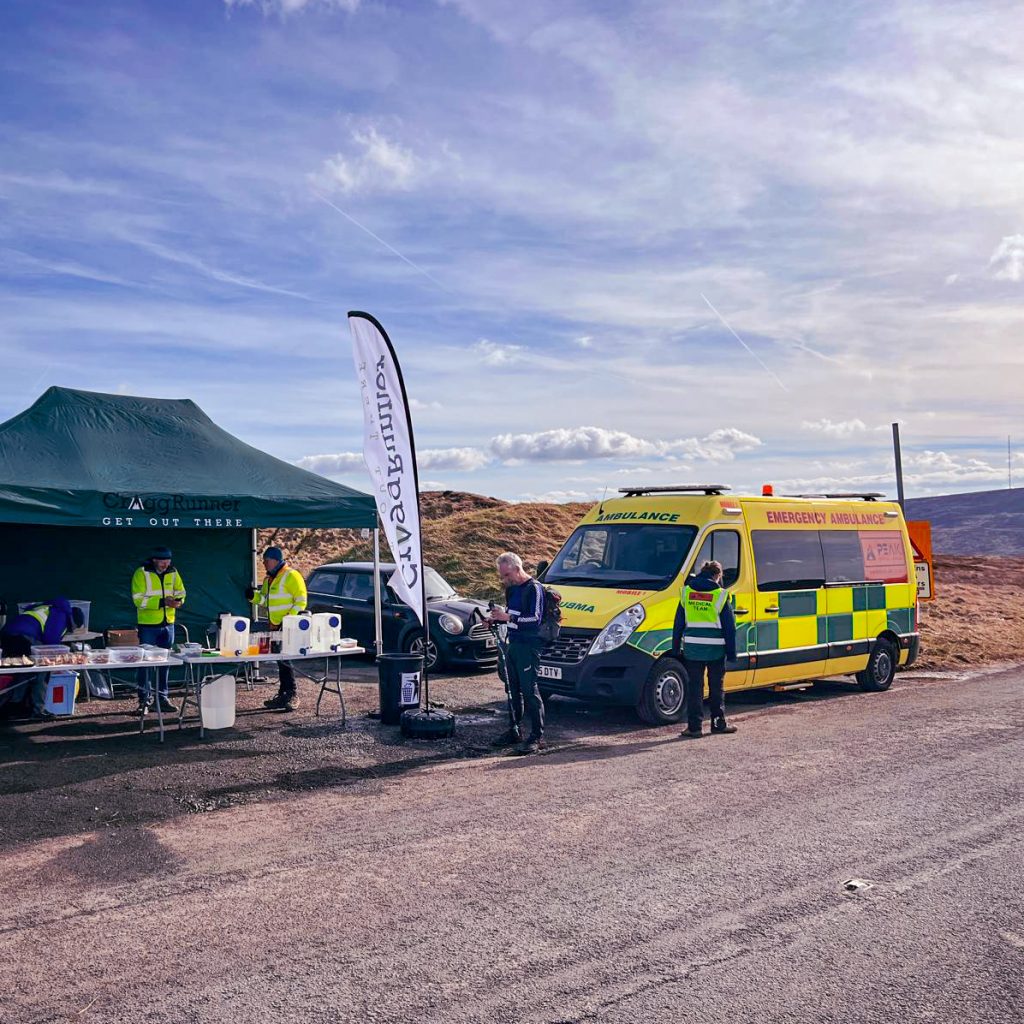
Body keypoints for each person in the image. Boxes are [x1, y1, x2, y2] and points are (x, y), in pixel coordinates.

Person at [486, 552, 546, 754]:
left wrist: (508, 617)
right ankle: (514, 729)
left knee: (530, 690)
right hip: (513, 643)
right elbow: (512, 615)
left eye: (506, 575)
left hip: (530, 646)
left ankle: (537, 736)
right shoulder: (511, 590)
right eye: (502, 576)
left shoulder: (535, 589)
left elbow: (534, 620)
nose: (505, 579)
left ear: (517, 568)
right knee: (512, 689)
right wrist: (496, 619)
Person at [672, 559, 738, 738]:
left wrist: (675, 647)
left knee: (695, 688)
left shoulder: (686, 593)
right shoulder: (721, 595)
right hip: (716, 650)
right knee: (716, 687)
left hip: (693, 649)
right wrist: (732, 653)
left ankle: (694, 728)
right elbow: (729, 628)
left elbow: (678, 623)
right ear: (717, 575)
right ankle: (718, 724)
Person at [0, 598, 84, 719]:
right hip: (24, 637)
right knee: (41, 671)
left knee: (20, 671)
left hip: (8, 634)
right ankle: (38, 710)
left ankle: (13, 705)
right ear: (74, 622)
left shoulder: (49, 608)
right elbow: (51, 643)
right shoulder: (61, 615)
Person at [248, 546, 307, 712]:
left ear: (275, 560)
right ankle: (283, 694)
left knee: (285, 660)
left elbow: (301, 601)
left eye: (266, 561)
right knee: (281, 662)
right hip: (274, 626)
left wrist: (289, 620)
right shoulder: (269, 579)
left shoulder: (291, 575)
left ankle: (292, 694)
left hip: (287, 627)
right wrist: (252, 596)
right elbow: (264, 600)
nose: (264, 564)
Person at [131, 546, 186, 714]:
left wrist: (179, 601)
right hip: (148, 625)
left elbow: (182, 592)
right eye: (162, 561)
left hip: (168, 624)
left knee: (165, 663)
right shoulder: (141, 573)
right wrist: (163, 602)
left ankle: (162, 698)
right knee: (145, 664)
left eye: (167, 560)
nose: (165, 564)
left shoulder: (173, 572)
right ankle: (144, 701)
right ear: (154, 560)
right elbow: (138, 600)